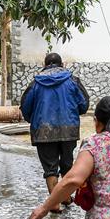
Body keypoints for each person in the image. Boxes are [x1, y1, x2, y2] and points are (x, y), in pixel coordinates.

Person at [19, 52, 90, 210]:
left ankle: (56, 203)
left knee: (50, 168)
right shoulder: (72, 80)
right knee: (67, 165)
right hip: (68, 130)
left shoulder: (36, 83)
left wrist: (34, 120)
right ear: (62, 64)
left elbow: (25, 107)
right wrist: (71, 114)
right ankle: (64, 197)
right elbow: (84, 104)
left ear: (44, 65)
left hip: (43, 131)